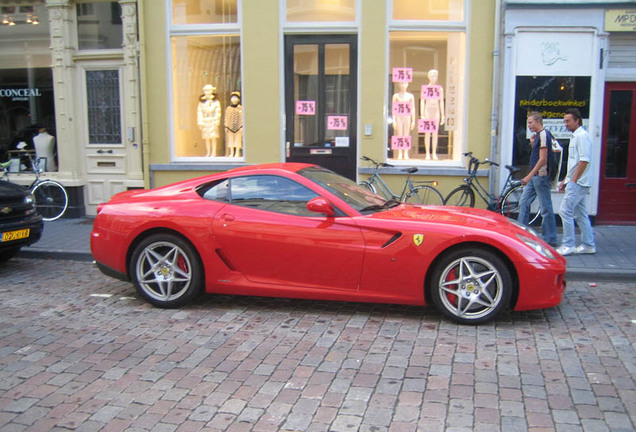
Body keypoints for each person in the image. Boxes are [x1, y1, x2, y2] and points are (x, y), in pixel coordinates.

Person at [556, 108, 596, 256]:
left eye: (568, 121)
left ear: (577, 121)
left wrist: (573, 180)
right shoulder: (576, 136)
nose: (565, 124)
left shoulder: (581, 136)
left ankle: (569, 244)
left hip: (579, 182)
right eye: (564, 121)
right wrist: (566, 180)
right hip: (577, 181)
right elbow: (574, 162)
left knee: (564, 211)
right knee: (580, 214)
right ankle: (588, 244)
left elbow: (584, 160)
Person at [517, 112, 557, 245]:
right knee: (524, 202)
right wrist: (532, 144)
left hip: (540, 176)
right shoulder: (539, 136)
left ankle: (550, 238)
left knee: (545, 207)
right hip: (536, 176)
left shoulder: (544, 135)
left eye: (530, 122)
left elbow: (543, 159)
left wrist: (529, 175)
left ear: (538, 122)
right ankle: (521, 234)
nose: (528, 125)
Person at [420, 69, 445, 160]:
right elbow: (422, 101)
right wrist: (422, 114)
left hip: (436, 111)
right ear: (428, 77)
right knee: (427, 133)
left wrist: (443, 115)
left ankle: (434, 152)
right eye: (432, 76)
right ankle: (427, 153)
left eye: (435, 76)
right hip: (427, 110)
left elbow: (441, 101)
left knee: (435, 133)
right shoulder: (425, 88)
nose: (433, 78)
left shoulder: (439, 89)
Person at [391, 82, 416, 160]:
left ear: (407, 84)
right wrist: (394, 120)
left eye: (405, 84)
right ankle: (400, 153)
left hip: (407, 116)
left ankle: (405, 153)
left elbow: (413, 109)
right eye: (401, 84)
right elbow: (394, 108)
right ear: (399, 85)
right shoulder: (396, 96)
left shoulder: (410, 96)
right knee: (399, 135)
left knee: (406, 135)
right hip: (399, 115)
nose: (403, 85)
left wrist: (413, 120)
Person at [197, 84, 221, 157]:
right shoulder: (202, 102)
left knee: (213, 137)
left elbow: (218, 112)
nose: (207, 92)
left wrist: (216, 121)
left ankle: (214, 152)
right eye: (206, 90)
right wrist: (200, 122)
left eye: (209, 90)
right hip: (205, 120)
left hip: (212, 120)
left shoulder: (215, 101)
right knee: (207, 138)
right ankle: (208, 152)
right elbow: (199, 112)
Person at [224, 91, 243, 158]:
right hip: (230, 126)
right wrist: (226, 125)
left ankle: (237, 152)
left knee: (238, 140)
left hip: (238, 127)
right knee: (231, 140)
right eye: (233, 98)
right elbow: (227, 117)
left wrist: (241, 126)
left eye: (236, 98)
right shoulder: (228, 108)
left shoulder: (240, 108)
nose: (234, 100)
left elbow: (241, 118)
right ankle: (231, 152)